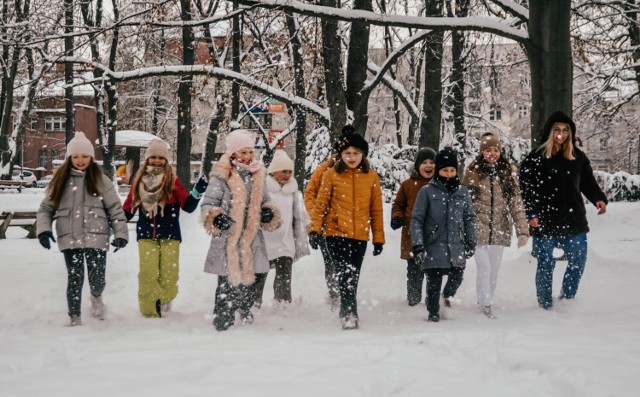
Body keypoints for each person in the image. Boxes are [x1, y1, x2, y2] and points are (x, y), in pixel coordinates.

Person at [36, 132, 129, 326]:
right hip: (70, 238)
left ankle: (96, 296)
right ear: (69, 158)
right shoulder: (60, 181)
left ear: (91, 157)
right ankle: (74, 315)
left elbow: (115, 209)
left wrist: (120, 234)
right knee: (75, 277)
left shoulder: (101, 180)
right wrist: (44, 230)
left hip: (96, 236)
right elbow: (46, 208)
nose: (80, 160)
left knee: (97, 278)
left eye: (84, 156)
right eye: (76, 156)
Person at [519, 111, 607, 310]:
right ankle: (545, 306)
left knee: (578, 262)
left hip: (573, 218)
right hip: (544, 219)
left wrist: (599, 199)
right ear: (550, 132)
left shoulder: (578, 157)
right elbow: (526, 190)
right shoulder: (536, 157)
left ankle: (567, 300)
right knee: (545, 265)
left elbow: (588, 183)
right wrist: (532, 213)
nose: (561, 134)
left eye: (565, 130)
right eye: (557, 130)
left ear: (570, 132)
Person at [201, 129, 281, 331]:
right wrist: (216, 217)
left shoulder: (258, 174)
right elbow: (208, 203)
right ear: (233, 153)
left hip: (252, 237)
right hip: (229, 237)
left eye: (250, 152)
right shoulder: (221, 175)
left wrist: (268, 213)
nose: (247, 157)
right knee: (227, 281)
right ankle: (223, 318)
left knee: (250, 280)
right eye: (242, 152)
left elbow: (267, 201)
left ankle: (245, 314)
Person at [308, 129, 385, 330]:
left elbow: (376, 210)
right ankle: (350, 311)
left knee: (354, 273)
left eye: (356, 153)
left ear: (363, 155)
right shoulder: (331, 175)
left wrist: (378, 238)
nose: (352, 157)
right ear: (340, 155)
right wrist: (315, 230)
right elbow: (321, 205)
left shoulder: (372, 177)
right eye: (347, 153)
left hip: (360, 234)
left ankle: (346, 305)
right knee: (344, 272)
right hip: (335, 233)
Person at [123, 139, 205, 318]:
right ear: (147, 159)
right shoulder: (139, 182)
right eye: (153, 157)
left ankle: (163, 299)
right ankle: (150, 314)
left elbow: (188, 206)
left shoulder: (173, 181)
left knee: (169, 275)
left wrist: (198, 191)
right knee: (148, 274)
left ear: (166, 160)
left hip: (170, 235)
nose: (157, 161)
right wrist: (115, 225)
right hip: (146, 235)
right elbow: (128, 209)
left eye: (161, 157)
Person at [461, 133, 529, 318]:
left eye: (495, 150)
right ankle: (485, 304)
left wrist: (522, 231)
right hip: (478, 228)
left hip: (499, 228)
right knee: (483, 266)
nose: (492, 154)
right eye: (488, 150)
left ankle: (486, 299)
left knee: (493, 269)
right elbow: (463, 201)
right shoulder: (473, 172)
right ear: (482, 152)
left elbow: (516, 202)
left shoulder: (507, 172)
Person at [410, 148, 476, 322]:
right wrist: (418, 244)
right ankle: (433, 314)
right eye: (445, 170)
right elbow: (417, 219)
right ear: (438, 170)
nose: (449, 174)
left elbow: (469, 218)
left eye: (452, 170)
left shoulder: (462, 192)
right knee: (434, 282)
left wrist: (471, 240)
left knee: (457, 276)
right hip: (434, 245)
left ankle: (446, 295)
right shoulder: (426, 192)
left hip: (456, 245)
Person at [304, 126, 353, 309]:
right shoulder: (324, 169)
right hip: (328, 227)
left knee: (349, 264)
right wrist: (317, 218)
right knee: (331, 263)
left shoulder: (362, 171)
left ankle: (348, 296)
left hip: (352, 227)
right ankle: (335, 296)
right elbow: (309, 194)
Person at [255, 150, 310, 307]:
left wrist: (307, 226)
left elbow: (299, 214)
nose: (287, 175)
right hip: (264, 241)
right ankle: (253, 303)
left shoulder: (293, 192)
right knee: (259, 275)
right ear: (273, 172)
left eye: (290, 171)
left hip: (285, 242)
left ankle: (283, 304)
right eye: (283, 171)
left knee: (284, 275)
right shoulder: (263, 189)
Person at [391, 147, 436, 306]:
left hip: (434, 237)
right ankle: (414, 301)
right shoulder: (408, 185)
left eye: (432, 162)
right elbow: (398, 205)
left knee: (433, 271)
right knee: (415, 271)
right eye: (424, 162)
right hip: (412, 235)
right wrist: (397, 217)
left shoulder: (439, 185)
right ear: (417, 165)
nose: (428, 165)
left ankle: (432, 301)